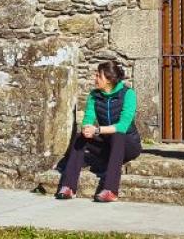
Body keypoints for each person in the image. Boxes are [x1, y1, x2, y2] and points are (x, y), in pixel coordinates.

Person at [56, 60, 141, 203]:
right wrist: (87, 128)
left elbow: (122, 126)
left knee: (117, 135)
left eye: (98, 76)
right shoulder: (94, 95)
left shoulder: (128, 94)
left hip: (128, 145)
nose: (95, 78)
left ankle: (110, 190)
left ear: (109, 80)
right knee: (80, 137)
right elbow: (88, 118)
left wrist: (97, 130)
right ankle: (68, 187)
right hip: (107, 145)